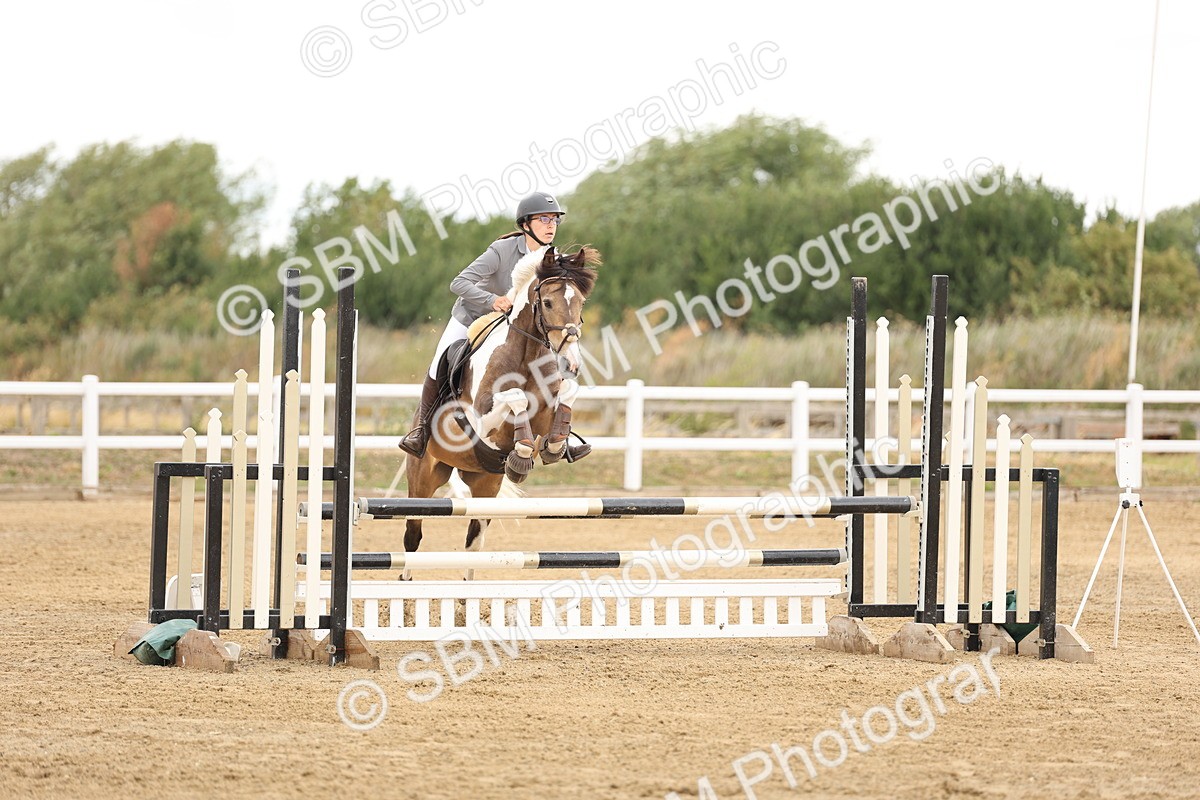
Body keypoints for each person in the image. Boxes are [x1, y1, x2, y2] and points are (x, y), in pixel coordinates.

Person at [398, 191, 590, 462]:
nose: (551, 225)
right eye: (544, 219)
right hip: (474, 317)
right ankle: (421, 430)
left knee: (557, 367)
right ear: (525, 224)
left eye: (555, 220)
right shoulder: (502, 250)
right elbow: (459, 283)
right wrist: (492, 300)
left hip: (517, 327)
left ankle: (560, 436)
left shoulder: (554, 259)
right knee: (439, 361)